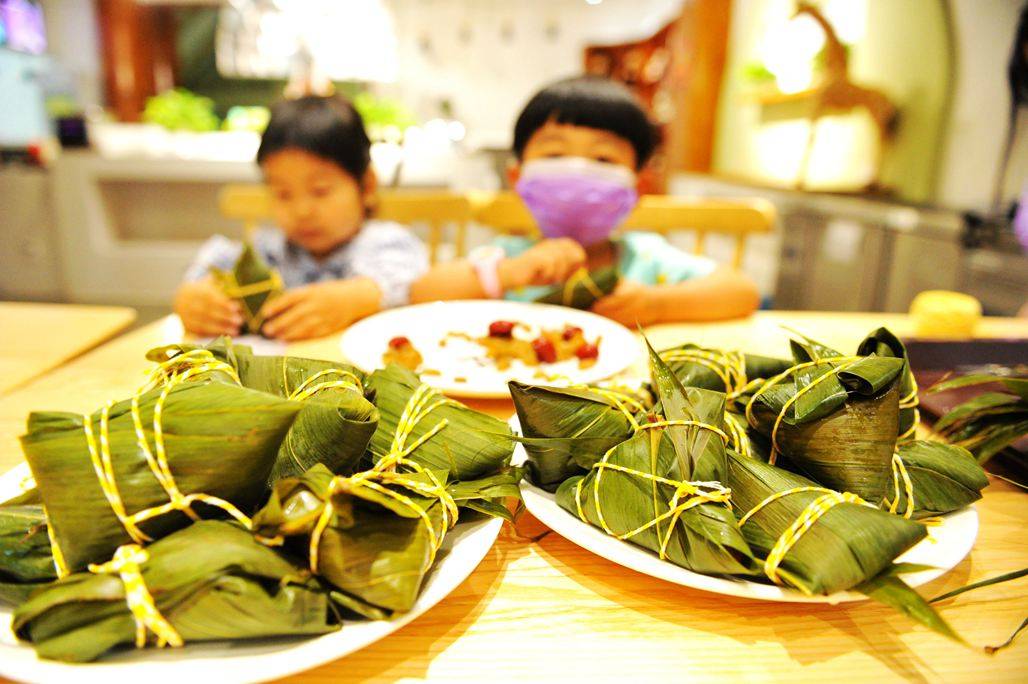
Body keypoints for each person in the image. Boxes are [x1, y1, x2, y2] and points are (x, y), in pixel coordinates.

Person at [410, 75, 759, 325]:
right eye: (554, 154)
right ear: (518, 179)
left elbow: (741, 290)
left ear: (638, 186)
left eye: (604, 160)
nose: (577, 170)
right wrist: (508, 273)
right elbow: (423, 292)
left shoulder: (646, 259)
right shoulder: (510, 257)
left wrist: (657, 304)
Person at [174, 95, 428, 340]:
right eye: (283, 194)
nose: (302, 211)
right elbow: (213, 267)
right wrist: (194, 299)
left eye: (320, 191)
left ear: (368, 186)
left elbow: (409, 284)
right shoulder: (270, 250)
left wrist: (354, 299)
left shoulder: (385, 242)